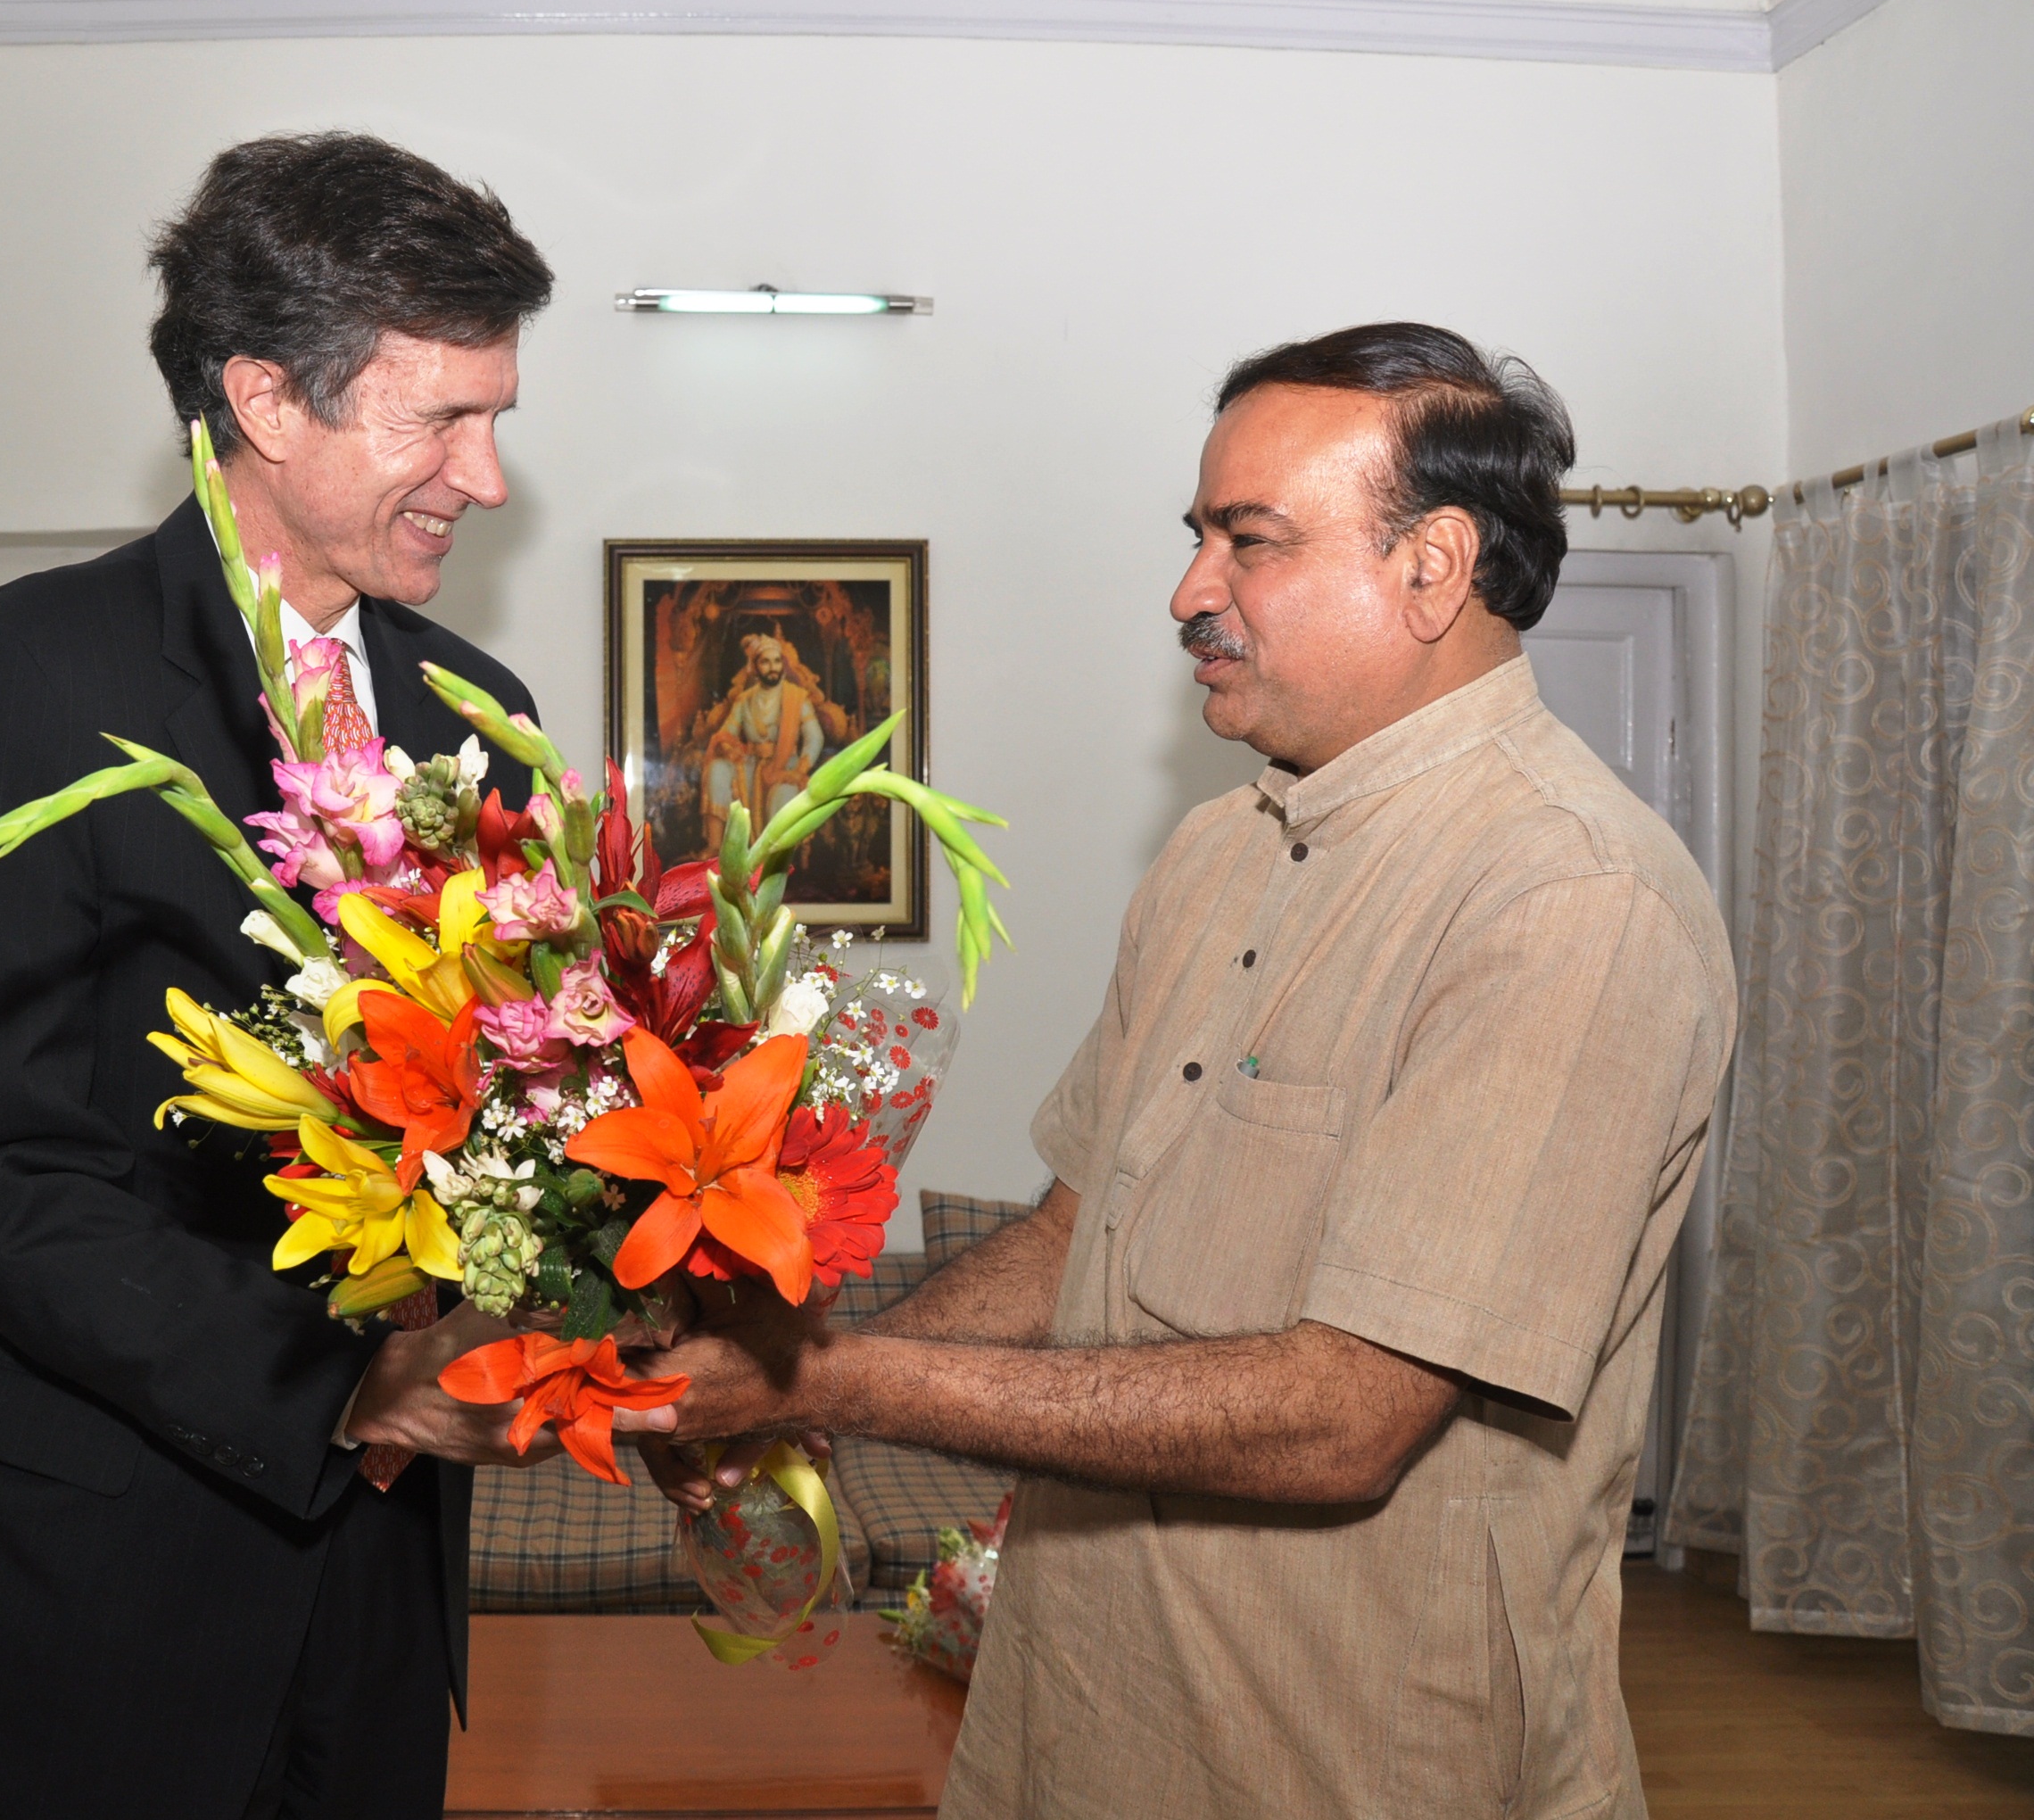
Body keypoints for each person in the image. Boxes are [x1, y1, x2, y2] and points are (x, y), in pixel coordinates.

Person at [638, 323, 1737, 1819]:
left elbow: (1348, 1413)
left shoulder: (1568, 901)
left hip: (1348, 1754)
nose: (1189, 591)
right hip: (1074, 1708)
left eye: (1251, 542)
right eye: (1197, 537)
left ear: (1432, 567)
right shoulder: (1222, 848)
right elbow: (1073, 1235)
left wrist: (837, 1372)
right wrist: (802, 1403)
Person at [0, 133, 646, 1820]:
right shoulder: (24, 673)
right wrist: (335, 1383)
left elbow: (493, 1089)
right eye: (441, 418)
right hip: (103, 1583)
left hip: (376, 1583)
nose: (486, 475)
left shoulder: (469, 700)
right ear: (268, 401)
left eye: (496, 417)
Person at [699, 633, 828, 850]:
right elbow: (725, 734)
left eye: (777, 661)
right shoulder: (745, 699)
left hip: (786, 766)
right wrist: (728, 748)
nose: (773, 667)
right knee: (717, 769)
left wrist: (800, 769)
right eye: (766, 662)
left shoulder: (797, 697)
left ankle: (775, 861)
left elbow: (815, 737)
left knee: (782, 794)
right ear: (756, 666)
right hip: (749, 766)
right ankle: (714, 847)